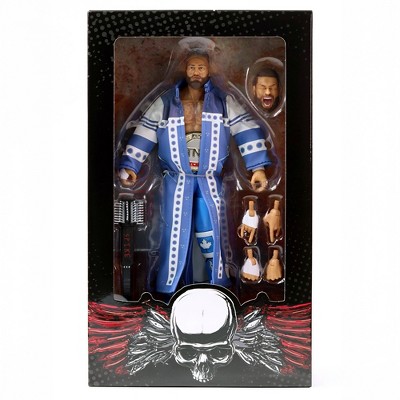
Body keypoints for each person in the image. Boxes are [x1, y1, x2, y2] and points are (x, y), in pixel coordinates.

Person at [119, 51, 274, 294]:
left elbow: (245, 129)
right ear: (185, 69)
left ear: (209, 70)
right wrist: (131, 165)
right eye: (192, 67)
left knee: (211, 229)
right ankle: (168, 288)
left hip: (210, 180)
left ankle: (218, 284)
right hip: (176, 179)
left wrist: (257, 168)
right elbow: (145, 131)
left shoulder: (222, 102)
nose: (196, 72)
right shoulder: (166, 103)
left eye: (201, 67)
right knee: (174, 233)